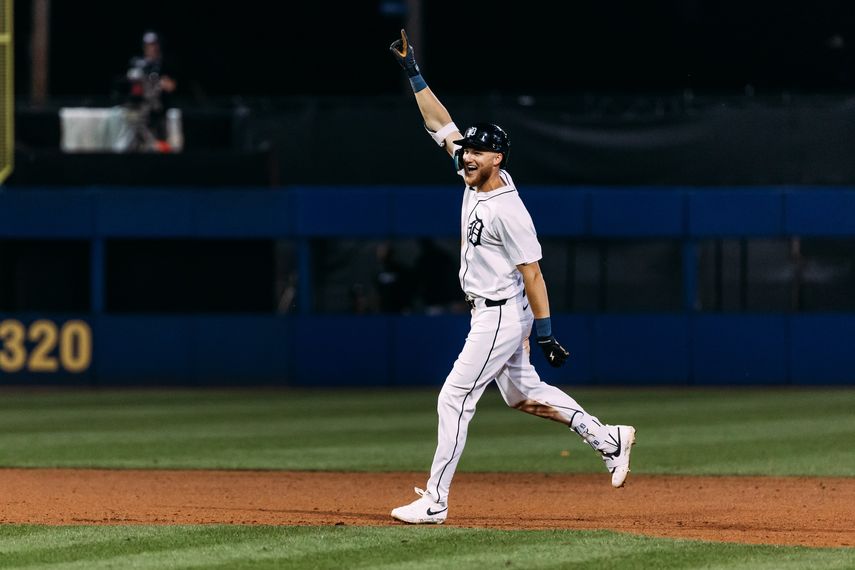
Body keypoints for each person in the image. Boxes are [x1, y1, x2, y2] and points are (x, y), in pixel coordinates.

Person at [388, 30, 637, 525]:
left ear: (497, 159)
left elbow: (534, 273)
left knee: (454, 398)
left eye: (476, 152)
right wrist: (413, 73)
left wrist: (545, 335)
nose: (465, 156)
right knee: (522, 395)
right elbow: (441, 122)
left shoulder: (509, 210)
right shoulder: (471, 170)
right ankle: (609, 438)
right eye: (466, 151)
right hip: (497, 312)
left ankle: (435, 501)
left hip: (502, 316)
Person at [123, 30, 178, 152]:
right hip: (140, 112)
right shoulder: (138, 64)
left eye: (154, 45)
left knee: (160, 145)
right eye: (148, 45)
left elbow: (172, 86)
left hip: (159, 112)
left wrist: (161, 83)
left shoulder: (164, 64)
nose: (151, 48)